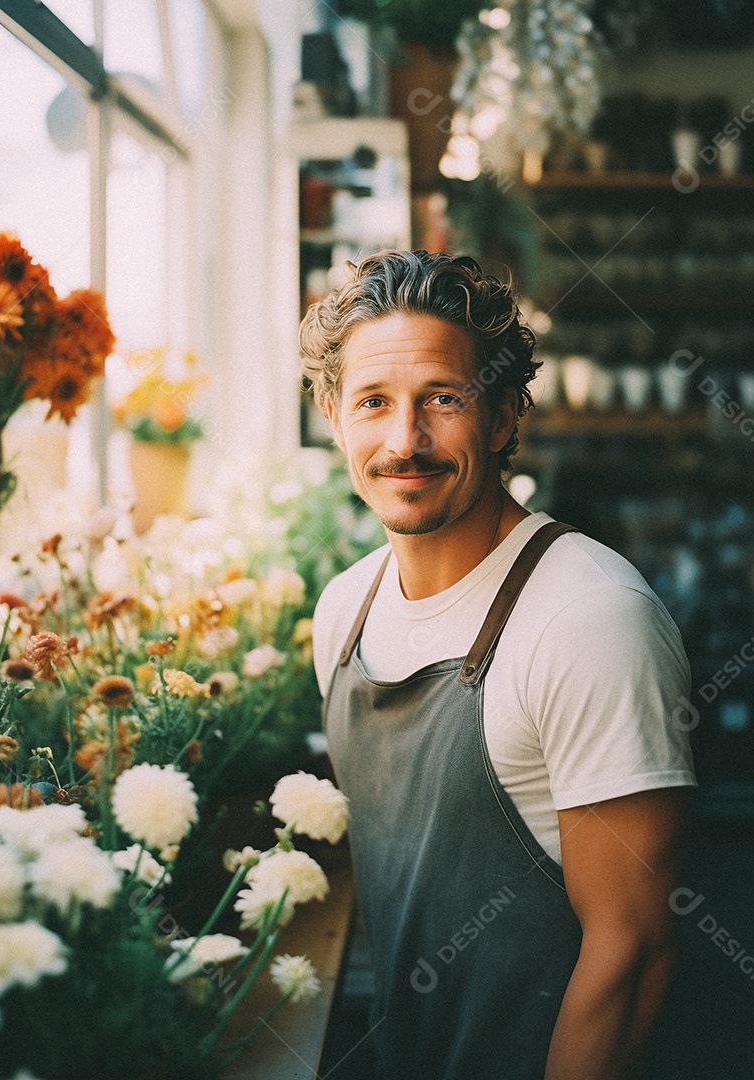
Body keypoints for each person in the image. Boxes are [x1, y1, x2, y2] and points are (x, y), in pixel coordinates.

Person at [299, 250, 696, 1080]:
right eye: (374, 402)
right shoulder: (342, 612)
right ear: (332, 414)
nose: (405, 442)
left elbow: (634, 953)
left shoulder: (589, 620)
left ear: (507, 415)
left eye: (443, 400)